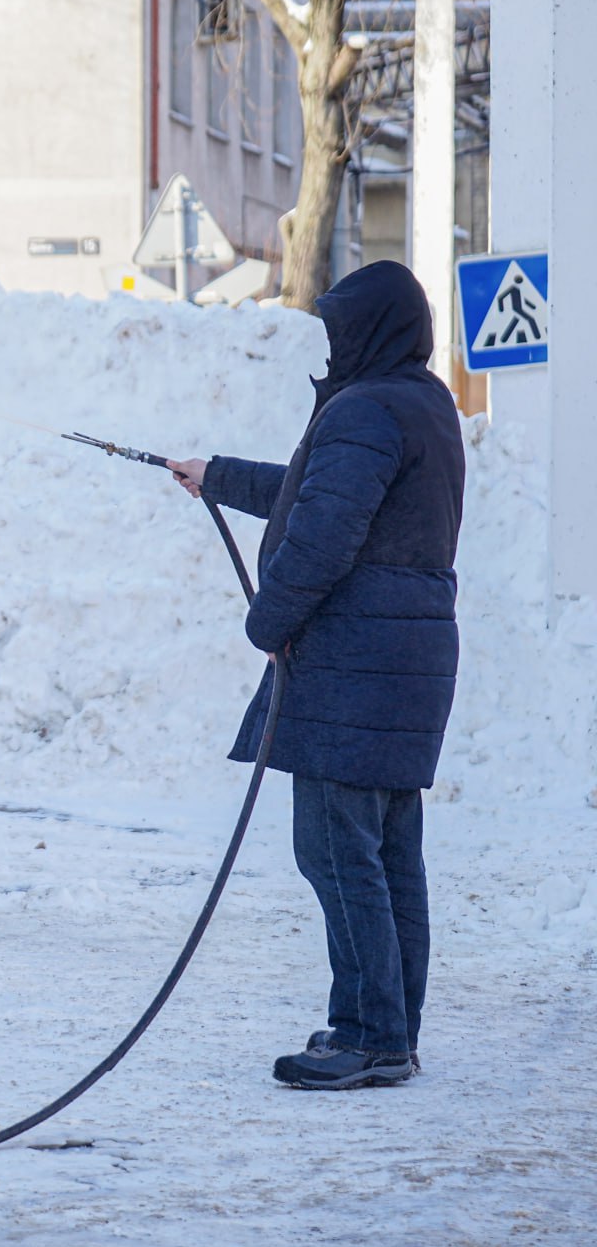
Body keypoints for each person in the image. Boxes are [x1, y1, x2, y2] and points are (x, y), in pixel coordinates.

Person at [164, 260, 464, 1092]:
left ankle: (367, 1033)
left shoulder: (363, 410)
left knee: (335, 852)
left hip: (353, 665)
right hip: (406, 660)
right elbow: (319, 497)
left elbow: (324, 536)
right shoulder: (422, 404)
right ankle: (389, 1029)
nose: (331, 343)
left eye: (341, 328)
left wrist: (269, 621)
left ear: (370, 330)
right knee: (387, 852)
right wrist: (217, 475)